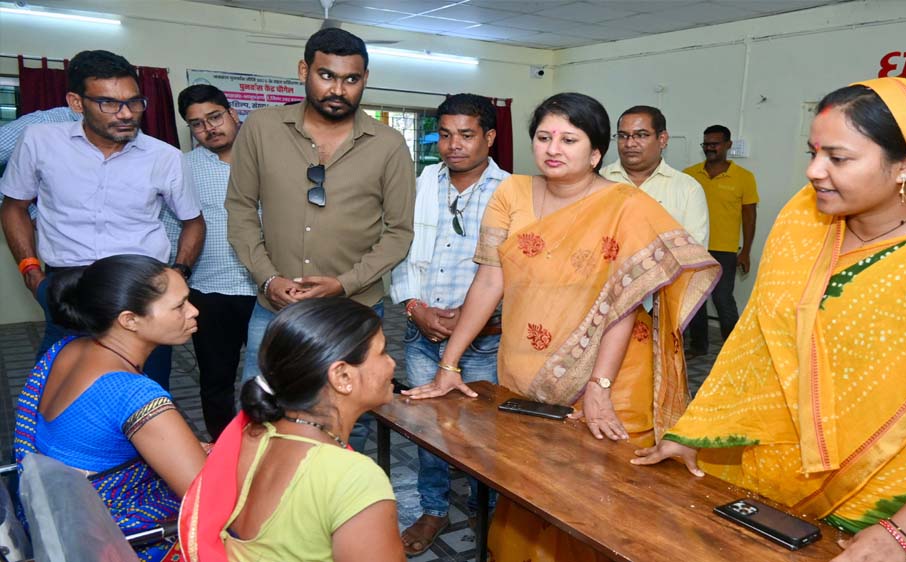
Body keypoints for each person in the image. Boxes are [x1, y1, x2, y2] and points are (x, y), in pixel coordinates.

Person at [634, 78, 906, 562]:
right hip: (765, 490)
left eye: (838, 158)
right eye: (813, 152)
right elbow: (755, 345)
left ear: (905, 164)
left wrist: (902, 533)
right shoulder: (804, 226)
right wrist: (696, 432)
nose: (813, 171)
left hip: (889, 513)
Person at [404, 92, 719, 562]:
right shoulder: (510, 193)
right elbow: (489, 280)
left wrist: (599, 386)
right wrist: (449, 364)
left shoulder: (625, 205)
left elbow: (623, 304)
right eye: (544, 137)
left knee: (596, 494)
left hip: (612, 371)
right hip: (525, 368)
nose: (553, 148)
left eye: (569, 140)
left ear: (595, 153)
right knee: (529, 484)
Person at [225, 28, 415, 450]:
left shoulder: (388, 145)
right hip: (276, 308)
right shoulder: (261, 128)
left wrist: (344, 284)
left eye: (352, 79)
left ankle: (334, 486)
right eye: (326, 75)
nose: (338, 90)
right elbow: (240, 210)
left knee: (349, 418)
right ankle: (260, 487)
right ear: (303, 70)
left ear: (365, 79)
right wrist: (268, 279)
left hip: (353, 310)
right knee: (259, 411)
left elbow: (399, 232)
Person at [0, 50, 205, 390]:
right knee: (57, 392)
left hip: (142, 288)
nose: (126, 114)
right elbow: (13, 207)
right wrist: (31, 272)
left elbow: (193, 222)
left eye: (134, 102)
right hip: (69, 286)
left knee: (144, 393)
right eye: (109, 103)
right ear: (76, 103)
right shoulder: (40, 142)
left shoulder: (164, 157)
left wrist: (179, 272)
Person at [179, 296, 404, 562]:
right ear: (342, 376)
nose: (393, 363)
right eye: (382, 352)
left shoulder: (252, 434)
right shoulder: (355, 478)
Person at [13, 254, 206, 561]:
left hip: (58, 520)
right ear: (129, 320)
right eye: (179, 306)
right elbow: (207, 498)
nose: (194, 311)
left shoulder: (64, 349)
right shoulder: (132, 394)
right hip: (108, 537)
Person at [390, 93, 509, 555]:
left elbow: (520, 268)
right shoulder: (420, 184)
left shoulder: (512, 192)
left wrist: (474, 317)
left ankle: (493, 512)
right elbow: (399, 247)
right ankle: (434, 508)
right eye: (444, 135)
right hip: (423, 331)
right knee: (428, 430)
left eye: (466, 134)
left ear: (489, 137)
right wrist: (413, 306)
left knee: (487, 434)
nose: (453, 144)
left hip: (485, 339)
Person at [162, 84, 256, 440]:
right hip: (209, 291)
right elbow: (172, 227)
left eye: (215, 117)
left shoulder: (266, 158)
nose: (209, 129)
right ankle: (223, 448)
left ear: (232, 114)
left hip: (268, 289)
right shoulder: (184, 168)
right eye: (197, 124)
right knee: (216, 380)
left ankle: (272, 450)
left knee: (276, 376)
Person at [683, 124, 758, 356]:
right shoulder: (688, 175)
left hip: (724, 250)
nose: (709, 148)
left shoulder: (743, 177)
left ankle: (733, 351)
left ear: (728, 145)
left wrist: (745, 252)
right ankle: (698, 346)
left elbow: (749, 216)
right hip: (694, 248)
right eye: (706, 144)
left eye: (715, 144)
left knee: (723, 299)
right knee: (695, 300)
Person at [601, 105, 708, 246]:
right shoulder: (597, 180)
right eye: (622, 136)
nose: (629, 143)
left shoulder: (688, 188)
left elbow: (695, 251)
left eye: (641, 135)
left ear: (662, 139)